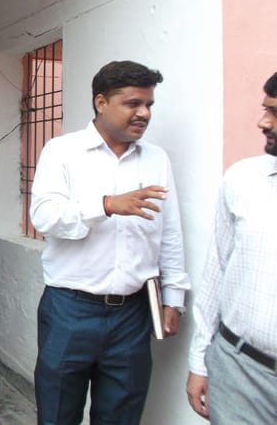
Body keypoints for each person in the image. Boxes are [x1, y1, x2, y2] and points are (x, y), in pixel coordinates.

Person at [29, 60, 190, 425]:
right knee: (57, 414)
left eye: (148, 104)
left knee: (121, 417)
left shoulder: (156, 159)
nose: (144, 113)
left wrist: (174, 299)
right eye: (133, 103)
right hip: (70, 309)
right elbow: (44, 217)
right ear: (101, 102)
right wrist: (105, 205)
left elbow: (170, 233)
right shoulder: (62, 151)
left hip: (133, 315)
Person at [186, 72, 277, 424]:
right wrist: (199, 359)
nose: (263, 122)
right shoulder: (243, 179)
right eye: (265, 109)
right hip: (240, 371)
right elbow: (217, 270)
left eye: (275, 112)